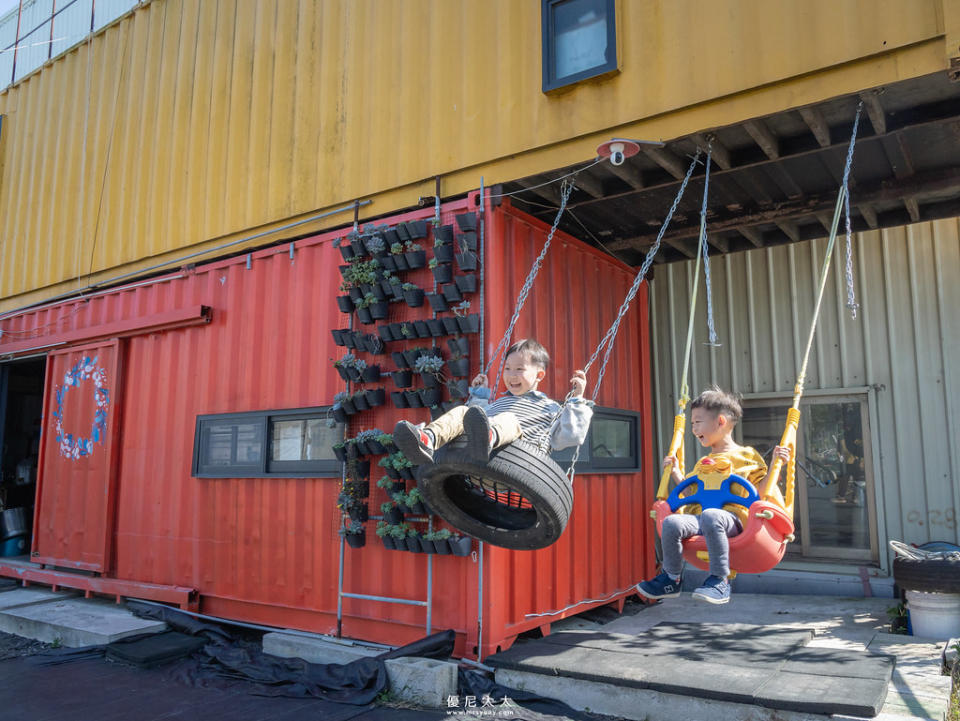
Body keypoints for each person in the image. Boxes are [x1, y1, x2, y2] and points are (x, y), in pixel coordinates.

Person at [636, 386, 791, 605]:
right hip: (704, 519)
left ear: (720, 421)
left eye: (697, 422)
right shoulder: (703, 463)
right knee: (671, 522)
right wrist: (677, 474)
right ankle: (671, 578)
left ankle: (720, 580)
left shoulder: (747, 456)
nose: (693, 428)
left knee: (711, 515)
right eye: (691, 424)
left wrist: (776, 464)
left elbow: (761, 493)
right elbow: (691, 495)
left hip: (734, 521)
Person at [393, 338, 592, 466]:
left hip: (519, 462)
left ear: (539, 374)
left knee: (508, 419)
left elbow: (569, 437)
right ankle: (427, 440)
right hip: (480, 461)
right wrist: (479, 395)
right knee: (464, 411)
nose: (511, 375)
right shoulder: (499, 404)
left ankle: (487, 437)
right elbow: (473, 419)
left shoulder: (550, 408)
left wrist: (576, 401)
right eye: (507, 369)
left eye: (519, 369)